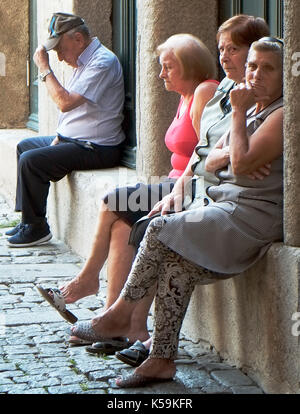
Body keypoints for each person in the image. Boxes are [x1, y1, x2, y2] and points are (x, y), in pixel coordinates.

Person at [71, 37, 284, 387]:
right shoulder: (249, 107)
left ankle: (121, 314)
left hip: (250, 217)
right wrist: (233, 153)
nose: (256, 74)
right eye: (252, 66)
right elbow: (210, 160)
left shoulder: (282, 111)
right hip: (222, 205)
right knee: (175, 266)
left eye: (267, 68)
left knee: (159, 227)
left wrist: (237, 145)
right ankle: (161, 358)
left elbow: (242, 164)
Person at [36, 33, 219, 348]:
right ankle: (122, 325)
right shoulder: (185, 94)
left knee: (112, 200)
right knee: (123, 226)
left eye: (168, 67)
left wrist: (176, 187)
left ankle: (87, 281)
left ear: (189, 67)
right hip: (171, 183)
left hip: (187, 189)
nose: (161, 74)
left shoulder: (205, 91)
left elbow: (204, 152)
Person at [6, 12, 126, 247]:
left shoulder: (102, 62)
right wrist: (61, 136)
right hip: (76, 141)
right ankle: (28, 219)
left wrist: (44, 68)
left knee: (32, 161)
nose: (59, 58)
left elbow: (65, 102)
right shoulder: (84, 62)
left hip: (97, 148)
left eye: (60, 49)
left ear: (78, 39)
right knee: (25, 146)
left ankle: (37, 228)